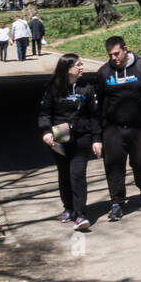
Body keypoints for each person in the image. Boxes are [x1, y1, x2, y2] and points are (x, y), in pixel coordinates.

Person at [94, 36, 141, 222]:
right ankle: (117, 203)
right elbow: (97, 104)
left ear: (125, 49)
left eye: (117, 53)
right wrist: (97, 134)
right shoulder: (104, 72)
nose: (114, 58)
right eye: (110, 55)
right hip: (113, 127)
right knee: (114, 165)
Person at [38, 54, 102, 232]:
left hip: (82, 137)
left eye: (82, 64)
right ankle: (69, 208)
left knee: (77, 174)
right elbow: (44, 113)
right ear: (67, 69)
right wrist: (46, 131)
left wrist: (97, 139)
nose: (82, 68)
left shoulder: (87, 88)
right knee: (64, 174)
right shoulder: (53, 89)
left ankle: (80, 214)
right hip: (60, 137)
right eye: (78, 65)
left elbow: (95, 116)